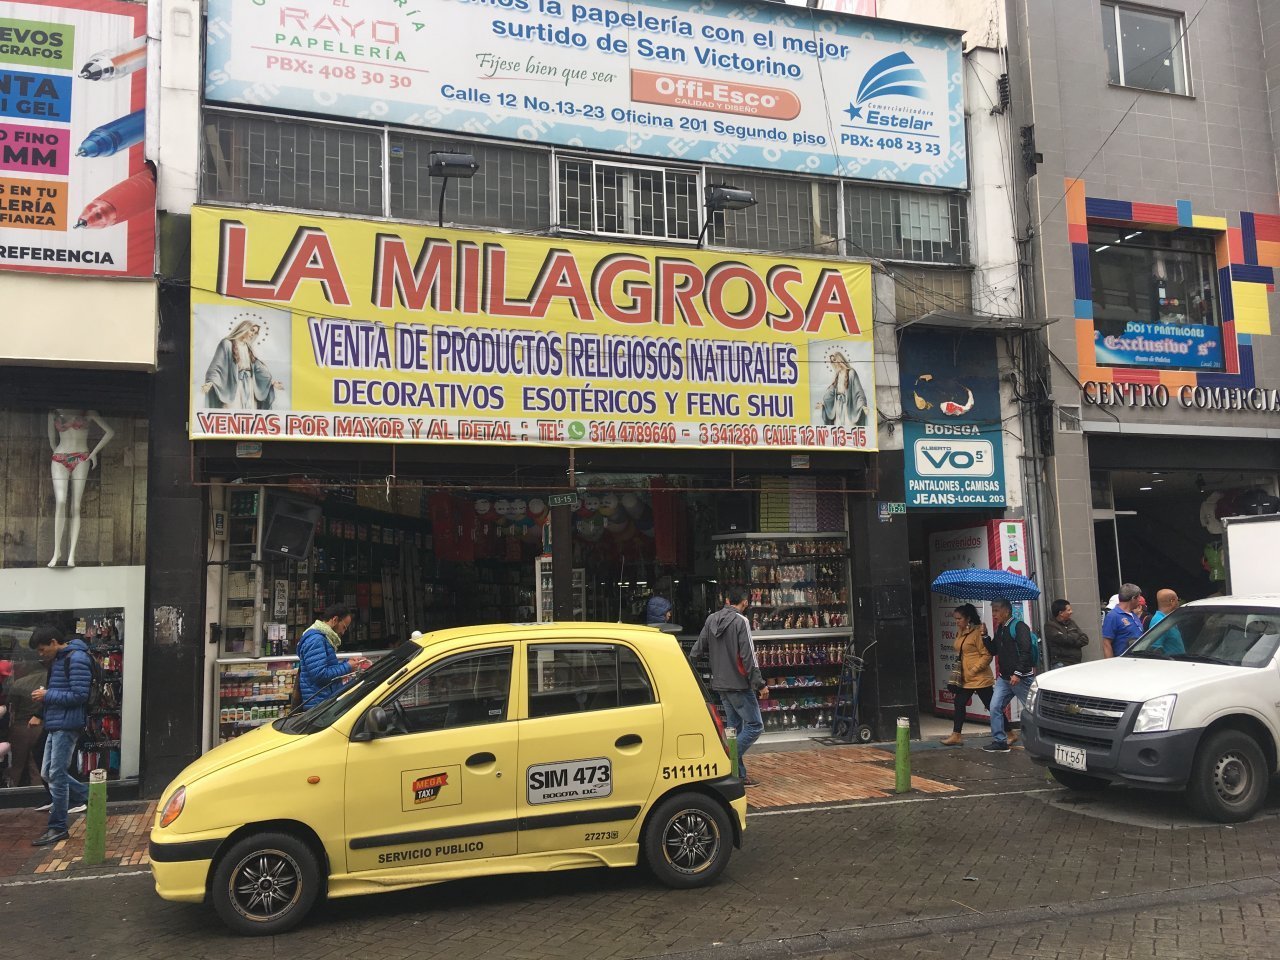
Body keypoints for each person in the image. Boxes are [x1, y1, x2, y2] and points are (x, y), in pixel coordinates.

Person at [689, 588, 769, 786]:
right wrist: (759, 684)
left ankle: (738, 774)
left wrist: (688, 671)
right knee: (755, 726)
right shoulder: (741, 621)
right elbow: (748, 656)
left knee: (733, 730)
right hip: (739, 684)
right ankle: (725, 758)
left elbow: (697, 650)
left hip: (720, 683)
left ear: (726, 600)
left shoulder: (711, 619)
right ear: (745, 602)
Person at [29, 625, 92, 846]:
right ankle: (90, 795)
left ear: (54, 642)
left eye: (42, 649)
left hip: (67, 724)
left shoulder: (76, 659)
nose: (41, 654)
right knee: (48, 773)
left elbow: (80, 695)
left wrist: (47, 695)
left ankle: (57, 826)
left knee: (55, 774)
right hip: (57, 723)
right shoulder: (60, 659)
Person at [46, 409, 115, 568]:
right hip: (59, 458)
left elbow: (110, 432)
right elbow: (51, 441)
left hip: (82, 457)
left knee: (76, 506)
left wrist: (94, 452)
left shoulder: (89, 412)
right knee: (61, 502)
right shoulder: (54, 413)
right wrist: (57, 453)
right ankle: (56, 552)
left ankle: (71, 555)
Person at [982, 598, 1036, 753]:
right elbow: (994, 650)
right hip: (1004, 678)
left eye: (996, 610)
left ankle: (1041, 739)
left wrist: (1017, 673)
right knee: (994, 707)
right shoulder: (1001, 628)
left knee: (1032, 709)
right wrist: (985, 636)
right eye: (993, 611)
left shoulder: (1019, 627)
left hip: (1021, 679)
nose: (994, 614)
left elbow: (1025, 651)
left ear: (1006, 611)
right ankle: (1000, 741)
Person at [296, 605, 368, 709]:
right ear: (335, 620)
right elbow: (320, 674)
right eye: (344, 627)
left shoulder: (323, 638)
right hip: (319, 704)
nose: (343, 632)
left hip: (323, 700)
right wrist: (347, 666)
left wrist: (348, 663)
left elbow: (326, 668)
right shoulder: (316, 640)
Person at [941, 604, 994, 746]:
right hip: (966, 678)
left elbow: (987, 655)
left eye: (959, 619)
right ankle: (956, 735)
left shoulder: (977, 633)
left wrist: (974, 669)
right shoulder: (961, 632)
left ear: (968, 618)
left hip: (980, 677)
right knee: (959, 702)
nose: (957, 622)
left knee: (991, 705)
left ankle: (1009, 732)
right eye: (955, 619)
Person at [201, 319, 282, 410]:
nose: (253, 334)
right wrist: (211, 381)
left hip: (249, 386)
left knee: (249, 410)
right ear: (244, 328)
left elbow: (258, 368)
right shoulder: (227, 343)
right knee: (232, 409)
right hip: (234, 386)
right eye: (252, 330)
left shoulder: (248, 347)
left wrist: (271, 381)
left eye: (255, 332)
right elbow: (217, 365)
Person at [816, 351, 869, 428]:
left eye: (834, 360)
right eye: (832, 361)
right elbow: (831, 392)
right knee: (838, 426)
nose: (834, 363)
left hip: (848, 406)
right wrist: (823, 403)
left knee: (849, 425)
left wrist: (862, 405)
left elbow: (858, 391)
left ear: (839, 359)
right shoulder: (837, 375)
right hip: (838, 406)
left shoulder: (851, 373)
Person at [1043, 599, 1089, 669]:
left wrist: (1070, 638)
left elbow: (1085, 639)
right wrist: (1076, 635)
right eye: (1069, 610)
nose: (1071, 612)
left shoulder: (1071, 622)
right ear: (1061, 613)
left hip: (1076, 662)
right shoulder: (1050, 625)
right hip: (1061, 663)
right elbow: (1064, 640)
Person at [1102, 583, 1145, 658]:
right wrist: (1110, 663)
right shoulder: (1113, 616)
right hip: (1123, 661)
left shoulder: (1133, 614)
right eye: (1138, 598)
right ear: (1133, 598)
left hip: (1138, 660)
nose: (1139, 601)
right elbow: (1106, 643)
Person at [1148, 589, 1185, 656]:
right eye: (1177, 600)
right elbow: (1155, 649)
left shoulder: (1167, 619)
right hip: (1170, 662)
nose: (1178, 602)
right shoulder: (1159, 621)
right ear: (1172, 601)